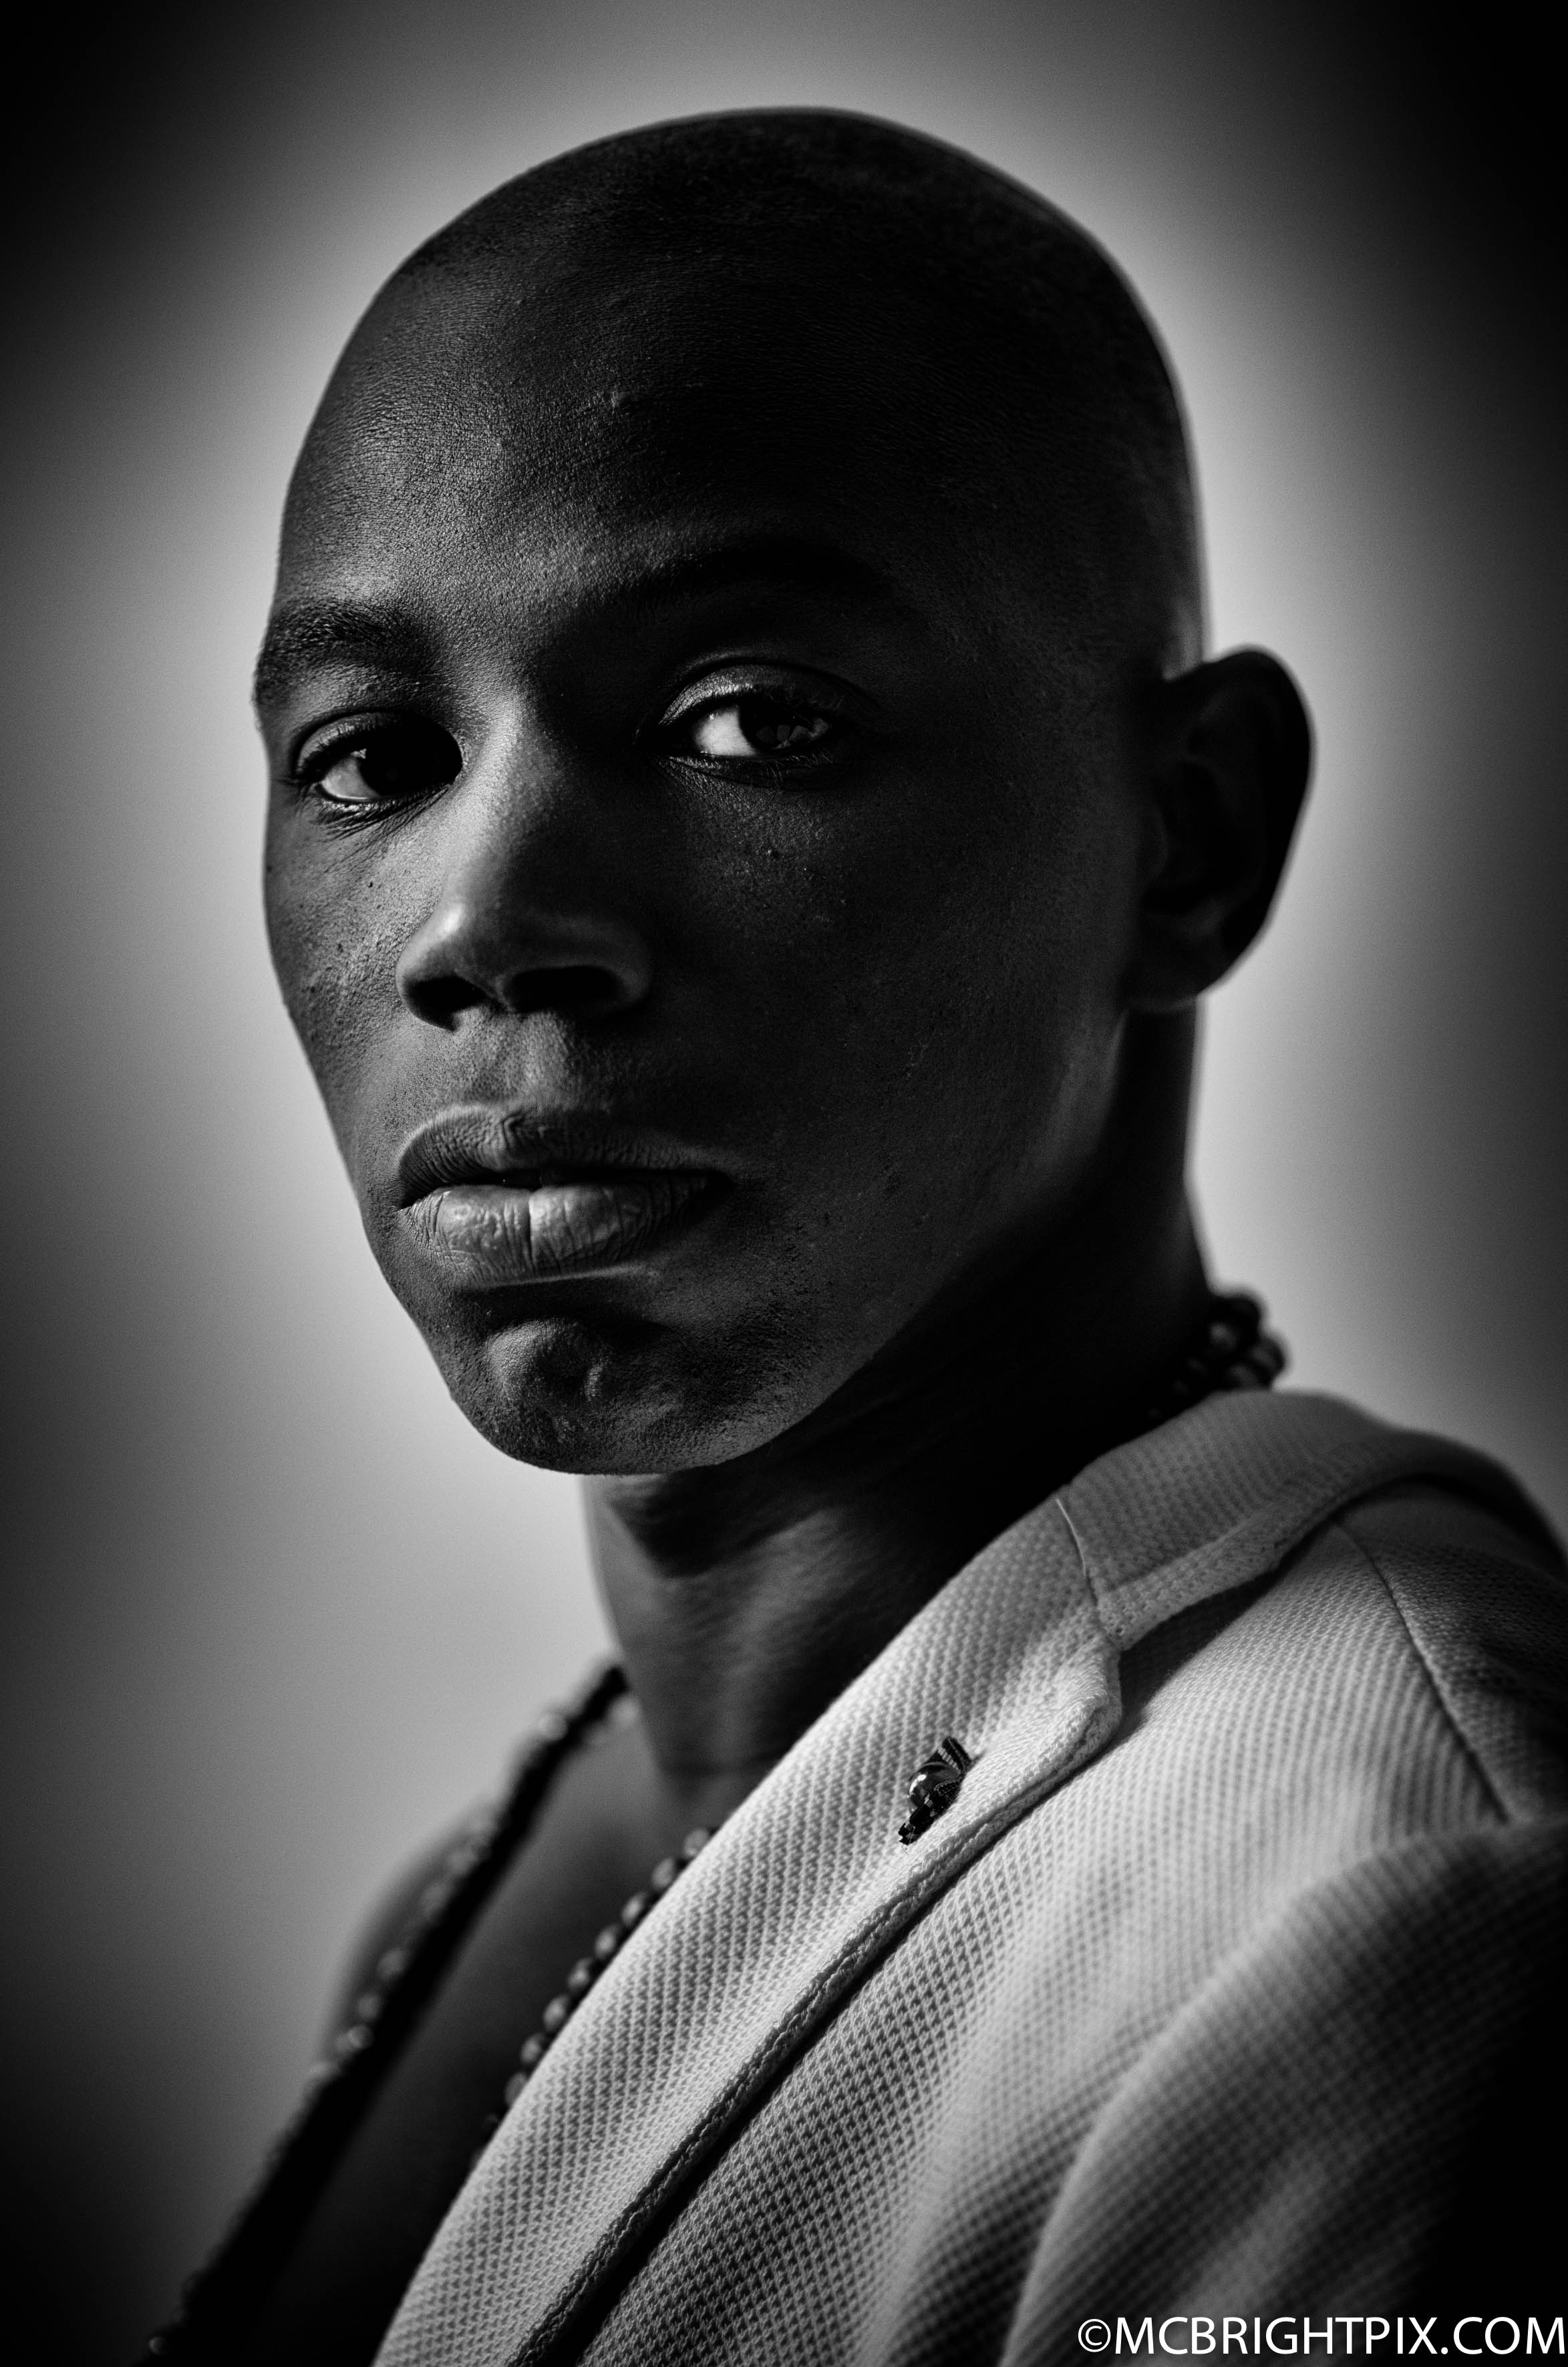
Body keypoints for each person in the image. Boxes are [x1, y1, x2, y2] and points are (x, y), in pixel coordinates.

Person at [151, 108, 1568, 2366]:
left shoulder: (1400, 1910)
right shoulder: (471, 1894)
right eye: (372, 756)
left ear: (1187, 837)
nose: (483, 922)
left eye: (749, 719)